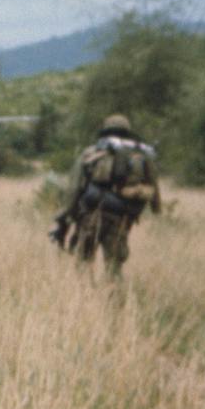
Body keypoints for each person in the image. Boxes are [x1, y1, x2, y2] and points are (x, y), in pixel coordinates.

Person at [53, 113, 162, 282]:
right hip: (120, 219)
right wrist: (156, 209)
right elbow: (154, 187)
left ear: (105, 130)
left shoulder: (91, 152)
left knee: (83, 263)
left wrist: (64, 217)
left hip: (90, 216)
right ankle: (116, 305)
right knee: (114, 269)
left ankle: (83, 302)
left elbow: (74, 188)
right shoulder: (141, 156)